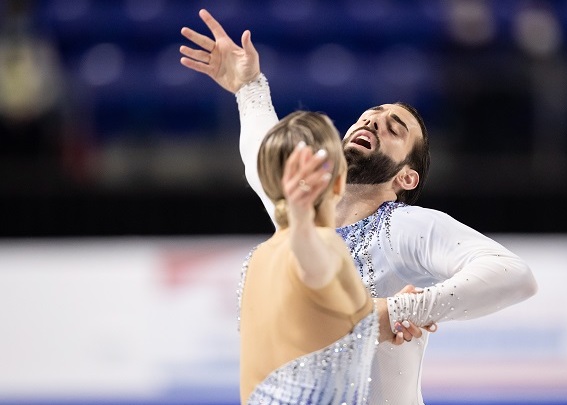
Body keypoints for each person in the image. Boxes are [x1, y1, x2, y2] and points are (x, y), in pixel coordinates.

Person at [181, 9, 538, 404]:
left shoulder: (405, 228)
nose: (373, 123)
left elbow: (513, 275)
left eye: (394, 128)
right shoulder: (296, 218)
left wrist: (404, 310)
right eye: (368, 118)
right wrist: (249, 87)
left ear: (406, 177)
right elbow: (261, 155)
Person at [237, 110, 379, 404]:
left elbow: (320, 321)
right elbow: (313, 267)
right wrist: (303, 223)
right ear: (339, 182)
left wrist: (402, 309)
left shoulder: (258, 258)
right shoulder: (321, 244)